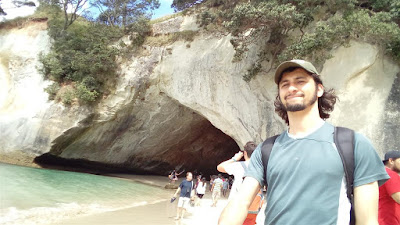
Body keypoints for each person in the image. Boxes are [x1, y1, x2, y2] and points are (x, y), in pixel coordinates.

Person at [219, 59, 389, 225]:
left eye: (300, 81)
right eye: (285, 84)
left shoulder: (352, 144)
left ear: (319, 89)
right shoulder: (267, 149)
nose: (292, 88)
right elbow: (241, 202)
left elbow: (367, 220)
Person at [218, 141, 260, 225]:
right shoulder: (261, 169)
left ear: (244, 153)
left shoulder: (238, 166)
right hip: (253, 209)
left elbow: (220, 167)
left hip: (236, 207)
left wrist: (234, 158)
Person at [379, 150, 400, 225]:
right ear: (391, 161)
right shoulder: (391, 174)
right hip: (389, 221)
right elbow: (398, 197)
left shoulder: (382, 174)